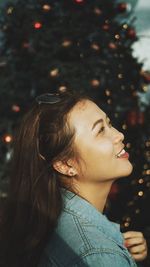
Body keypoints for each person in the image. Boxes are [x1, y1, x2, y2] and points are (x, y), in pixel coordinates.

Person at [0, 91, 147, 267]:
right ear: (65, 164)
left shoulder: (49, 214)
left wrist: (123, 255)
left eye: (109, 123)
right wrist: (111, 256)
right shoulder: (98, 254)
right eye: (100, 130)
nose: (119, 135)